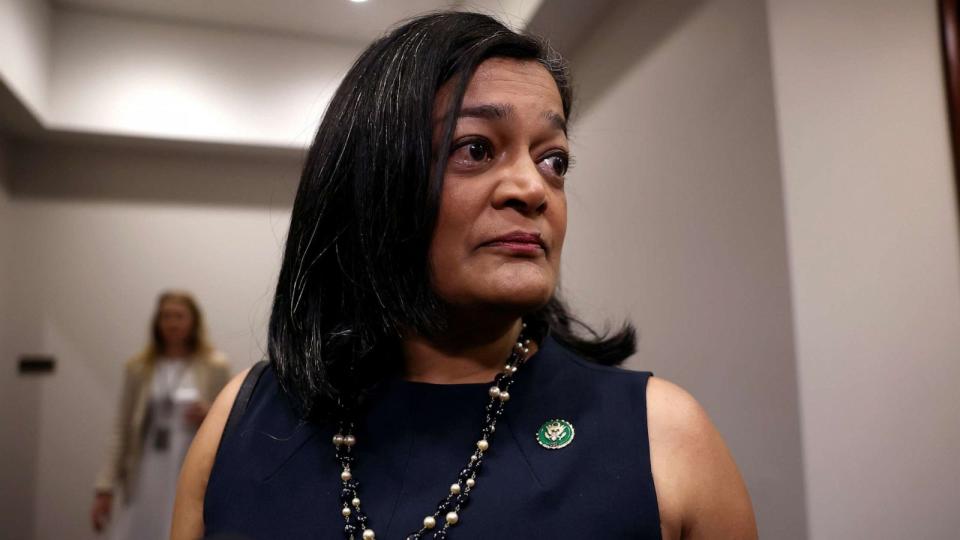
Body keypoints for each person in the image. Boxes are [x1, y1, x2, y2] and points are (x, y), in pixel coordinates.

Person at [173, 11, 757, 540]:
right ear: (375, 182)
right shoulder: (242, 423)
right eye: (476, 149)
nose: (533, 188)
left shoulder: (665, 437)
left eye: (553, 159)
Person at [92, 290, 230, 539]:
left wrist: (209, 413)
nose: (172, 323)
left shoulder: (214, 366)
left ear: (193, 321)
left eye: (179, 316)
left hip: (190, 462)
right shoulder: (139, 367)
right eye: (166, 316)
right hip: (147, 467)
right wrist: (105, 486)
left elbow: (231, 422)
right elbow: (122, 428)